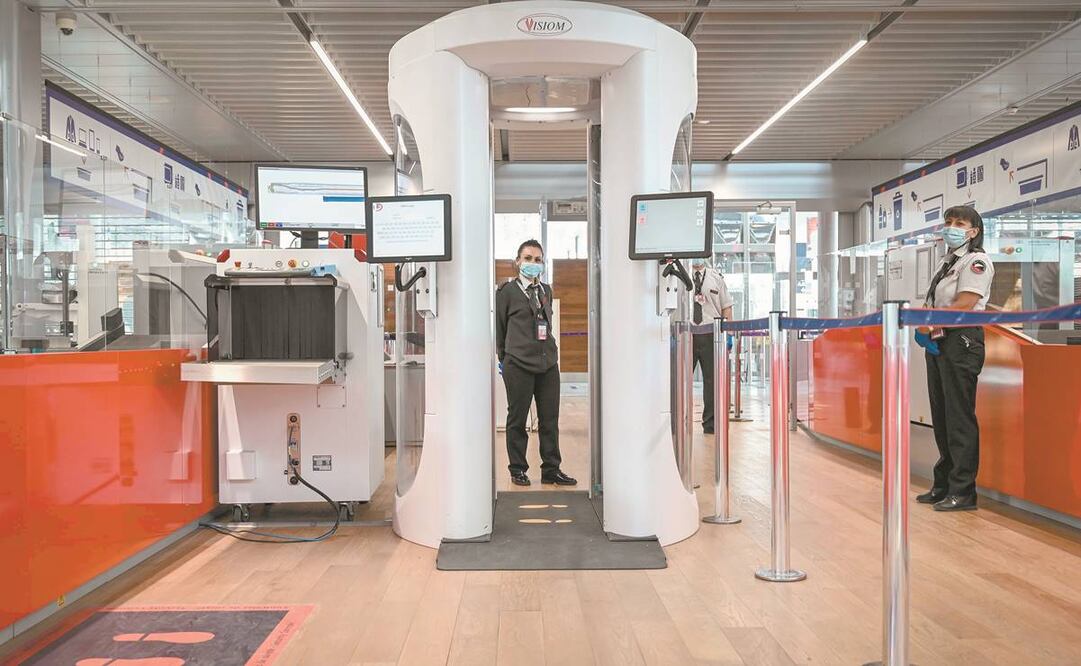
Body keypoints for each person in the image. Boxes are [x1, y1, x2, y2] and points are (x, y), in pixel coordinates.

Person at [915, 205, 994, 512]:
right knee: (942, 415)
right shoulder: (949, 261)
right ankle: (944, 483)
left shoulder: (976, 262)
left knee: (959, 416)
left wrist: (931, 324)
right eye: (948, 222)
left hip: (961, 340)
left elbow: (965, 303)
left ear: (973, 231)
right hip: (940, 340)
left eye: (959, 223)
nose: (952, 227)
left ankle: (963, 491)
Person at [495, 240, 576, 487]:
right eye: (528, 258)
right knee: (517, 420)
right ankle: (517, 469)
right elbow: (500, 328)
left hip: (547, 363)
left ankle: (551, 469)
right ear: (518, 261)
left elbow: (546, 324)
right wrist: (504, 358)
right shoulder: (506, 292)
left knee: (549, 420)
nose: (532, 263)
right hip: (518, 363)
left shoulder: (546, 291)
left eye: (538, 259)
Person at [689, 257, 734, 435]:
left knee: (712, 381)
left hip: (711, 334)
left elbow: (727, 307)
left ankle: (711, 424)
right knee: (681, 381)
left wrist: (729, 334)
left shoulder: (716, 278)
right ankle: (677, 421)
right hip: (687, 334)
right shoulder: (679, 275)